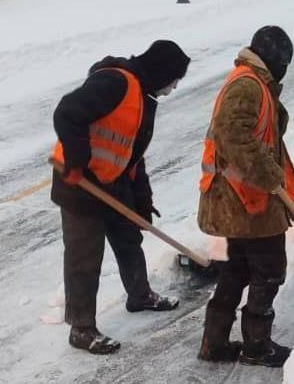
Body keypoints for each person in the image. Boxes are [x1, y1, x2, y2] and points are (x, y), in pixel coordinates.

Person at [51, 40, 191, 355]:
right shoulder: (115, 81)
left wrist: (141, 200)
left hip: (111, 181)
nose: (174, 87)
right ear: (161, 72)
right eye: (174, 80)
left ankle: (139, 295)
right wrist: (77, 163)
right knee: (84, 257)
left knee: (129, 237)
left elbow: (131, 155)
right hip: (79, 183)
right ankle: (81, 328)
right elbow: (67, 112)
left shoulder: (142, 96)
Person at [197, 26, 294, 368]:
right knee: (269, 269)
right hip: (245, 199)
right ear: (276, 60)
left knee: (239, 268)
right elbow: (232, 133)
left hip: (241, 197)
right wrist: (270, 176)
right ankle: (257, 347)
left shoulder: (254, 82)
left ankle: (214, 343)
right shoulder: (247, 84)